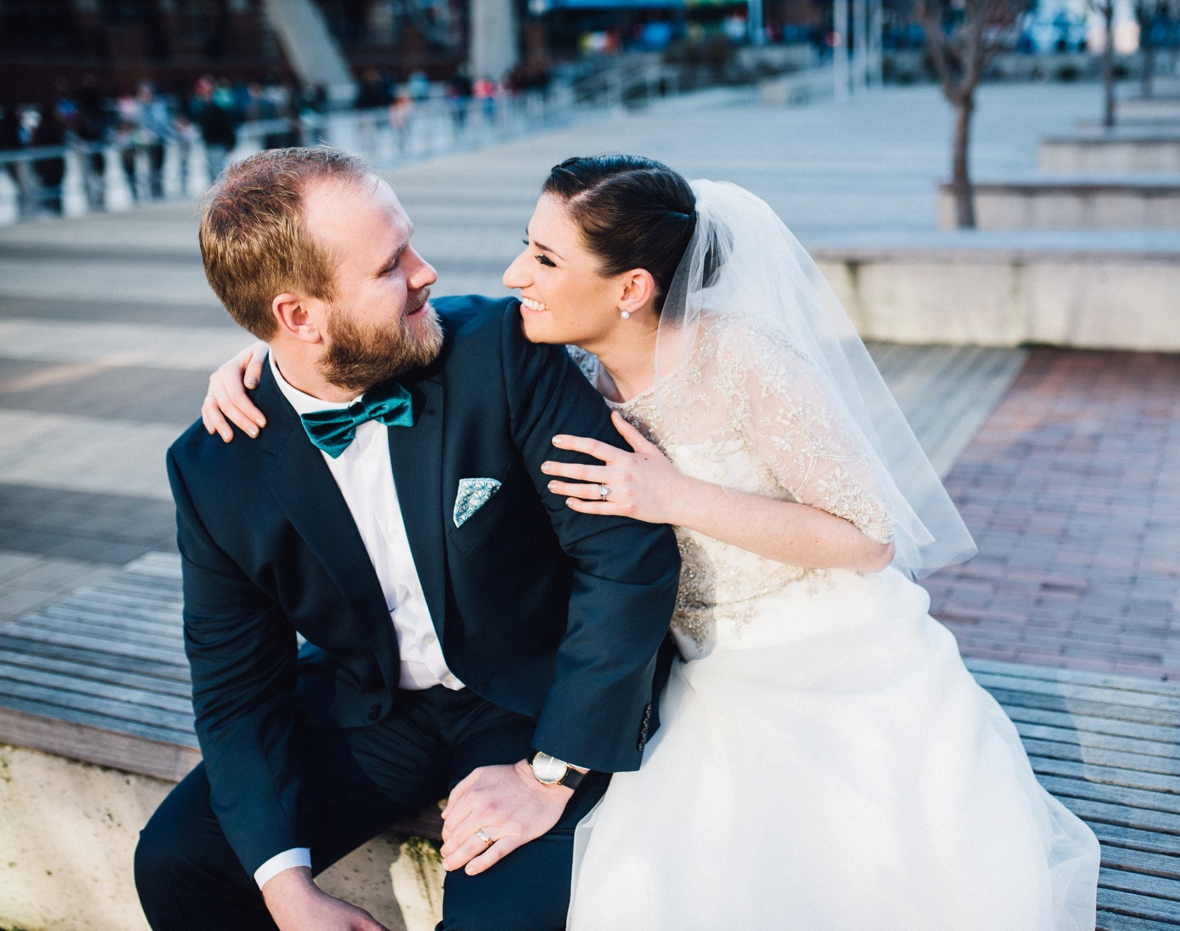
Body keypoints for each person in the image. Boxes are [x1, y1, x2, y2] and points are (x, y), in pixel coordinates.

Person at [206, 155, 1101, 928]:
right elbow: (373, 349)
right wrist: (272, 368)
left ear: (630, 288)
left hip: (816, 647)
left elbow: (869, 540)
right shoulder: (558, 355)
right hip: (685, 655)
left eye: (545, 257)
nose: (516, 273)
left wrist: (677, 495)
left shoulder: (739, 358)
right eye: (526, 242)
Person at [136, 147, 681, 931]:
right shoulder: (214, 466)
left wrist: (551, 772)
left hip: (529, 695)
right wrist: (290, 895)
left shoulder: (498, 350)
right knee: (176, 865)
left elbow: (622, 560)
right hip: (368, 707)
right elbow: (234, 692)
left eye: (411, 244)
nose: (427, 272)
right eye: (392, 265)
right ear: (298, 317)